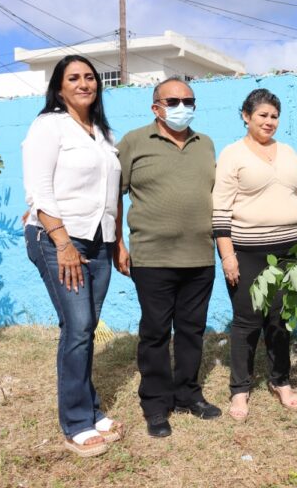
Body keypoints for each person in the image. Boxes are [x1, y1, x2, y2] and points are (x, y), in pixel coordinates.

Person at [22, 54, 123, 457]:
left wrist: (117, 241)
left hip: (98, 239)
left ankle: (91, 408)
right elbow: (39, 190)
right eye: (74, 78)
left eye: (90, 77)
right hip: (59, 238)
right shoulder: (50, 125)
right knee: (79, 325)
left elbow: (111, 194)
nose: (84, 83)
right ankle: (77, 422)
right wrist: (62, 242)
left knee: (83, 325)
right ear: (59, 87)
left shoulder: (101, 133)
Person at [115, 76, 221, 438]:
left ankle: (188, 394)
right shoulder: (133, 142)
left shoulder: (205, 144)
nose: (182, 108)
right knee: (156, 333)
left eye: (188, 101)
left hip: (199, 257)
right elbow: (114, 194)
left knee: (192, 331)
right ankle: (156, 404)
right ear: (155, 107)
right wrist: (118, 244)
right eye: (173, 101)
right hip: (152, 258)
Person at [213, 89, 297, 421]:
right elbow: (220, 209)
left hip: (290, 251)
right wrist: (227, 256)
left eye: (274, 116)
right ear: (246, 116)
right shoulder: (232, 155)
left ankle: (280, 381)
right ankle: (241, 389)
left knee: (280, 320)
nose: (269, 121)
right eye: (262, 115)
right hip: (247, 252)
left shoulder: (289, 153)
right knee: (247, 321)